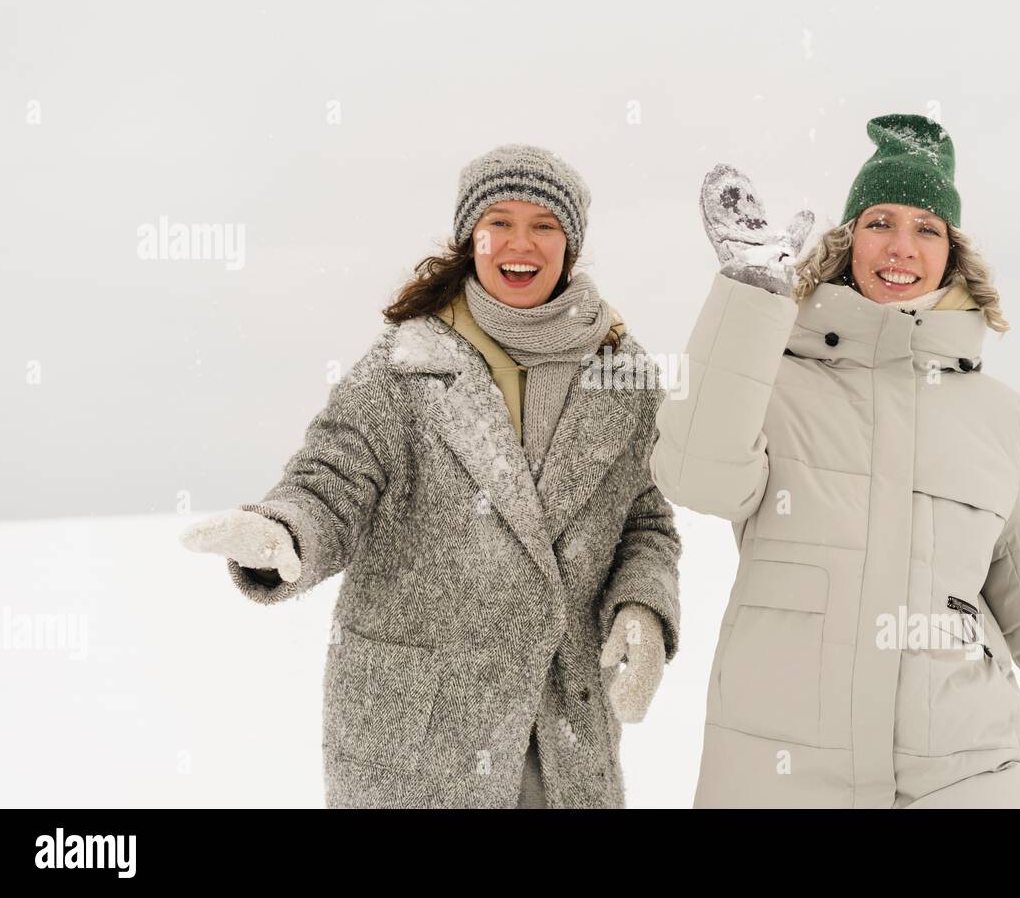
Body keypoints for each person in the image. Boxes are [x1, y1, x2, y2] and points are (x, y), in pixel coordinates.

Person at [651, 114, 1020, 808]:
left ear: (953, 253)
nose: (901, 247)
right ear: (849, 240)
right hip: (777, 774)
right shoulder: (773, 374)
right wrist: (751, 304)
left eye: (927, 228)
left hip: (963, 776)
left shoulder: (999, 416)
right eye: (880, 222)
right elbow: (697, 476)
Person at [181, 143, 681, 808]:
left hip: (558, 733)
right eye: (499, 220)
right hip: (419, 738)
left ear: (571, 244)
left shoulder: (625, 377)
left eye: (544, 225)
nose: (519, 242)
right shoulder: (404, 368)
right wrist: (286, 529)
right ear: (470, 236)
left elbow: (644, 518)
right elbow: (331, 479)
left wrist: (644, 606)